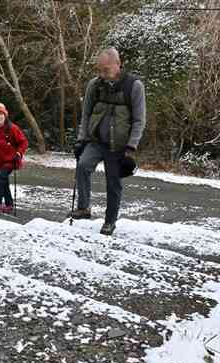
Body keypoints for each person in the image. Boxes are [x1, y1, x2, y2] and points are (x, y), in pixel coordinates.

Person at [72, 47, 146, 235]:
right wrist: (81, 140)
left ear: (117, 64)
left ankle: (110, 221)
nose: (102, 74)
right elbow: (86, 114)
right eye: (100, 70)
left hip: (119, 146)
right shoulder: (94, 85)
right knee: (82, 165)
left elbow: (139, 120)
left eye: (106, 70)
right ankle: (84, 208)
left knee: (113, 184)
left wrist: (131, 147)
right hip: (96, 141)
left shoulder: (134, 86)